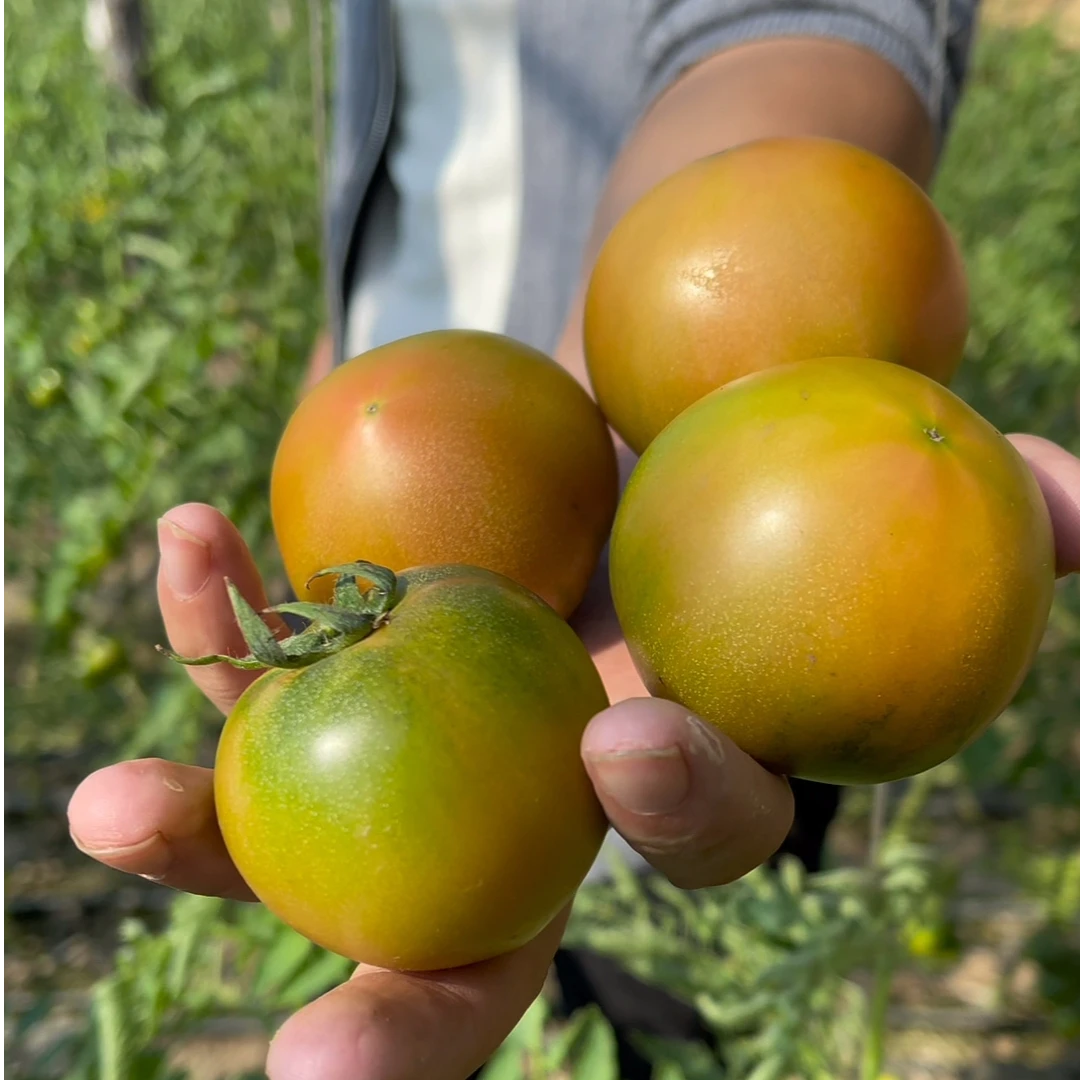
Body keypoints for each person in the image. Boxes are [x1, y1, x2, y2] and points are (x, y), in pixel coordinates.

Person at [68, 2, 1080, 1078]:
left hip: (670, 687)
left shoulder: (761, 463)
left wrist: (721, 277)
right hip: (419, 399)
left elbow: (805, 28)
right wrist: (353, 371)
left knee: (653, 997)